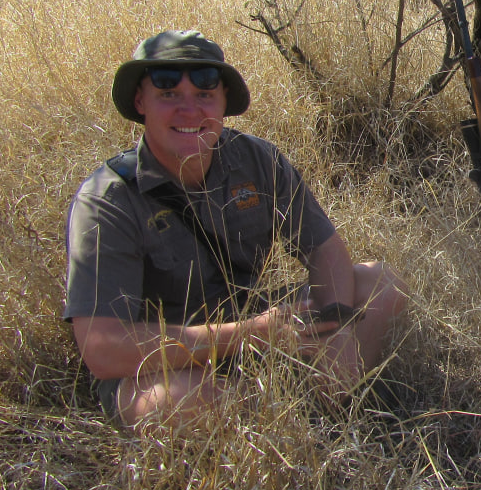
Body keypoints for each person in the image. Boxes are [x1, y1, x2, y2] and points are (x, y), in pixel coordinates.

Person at [64, 30, 410, 429]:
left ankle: (331, 407)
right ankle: (282, 420)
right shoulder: (106, 201)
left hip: (252, 323)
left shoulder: (256, 158)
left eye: (204, 95)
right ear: (141, 102)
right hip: (160, 363)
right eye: (169, 94)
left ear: (225, 102)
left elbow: (323, 248)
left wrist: (338, 331)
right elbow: (103, 351)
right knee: (178, 402)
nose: (189, 111)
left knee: (382, 283)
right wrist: (247, 334)